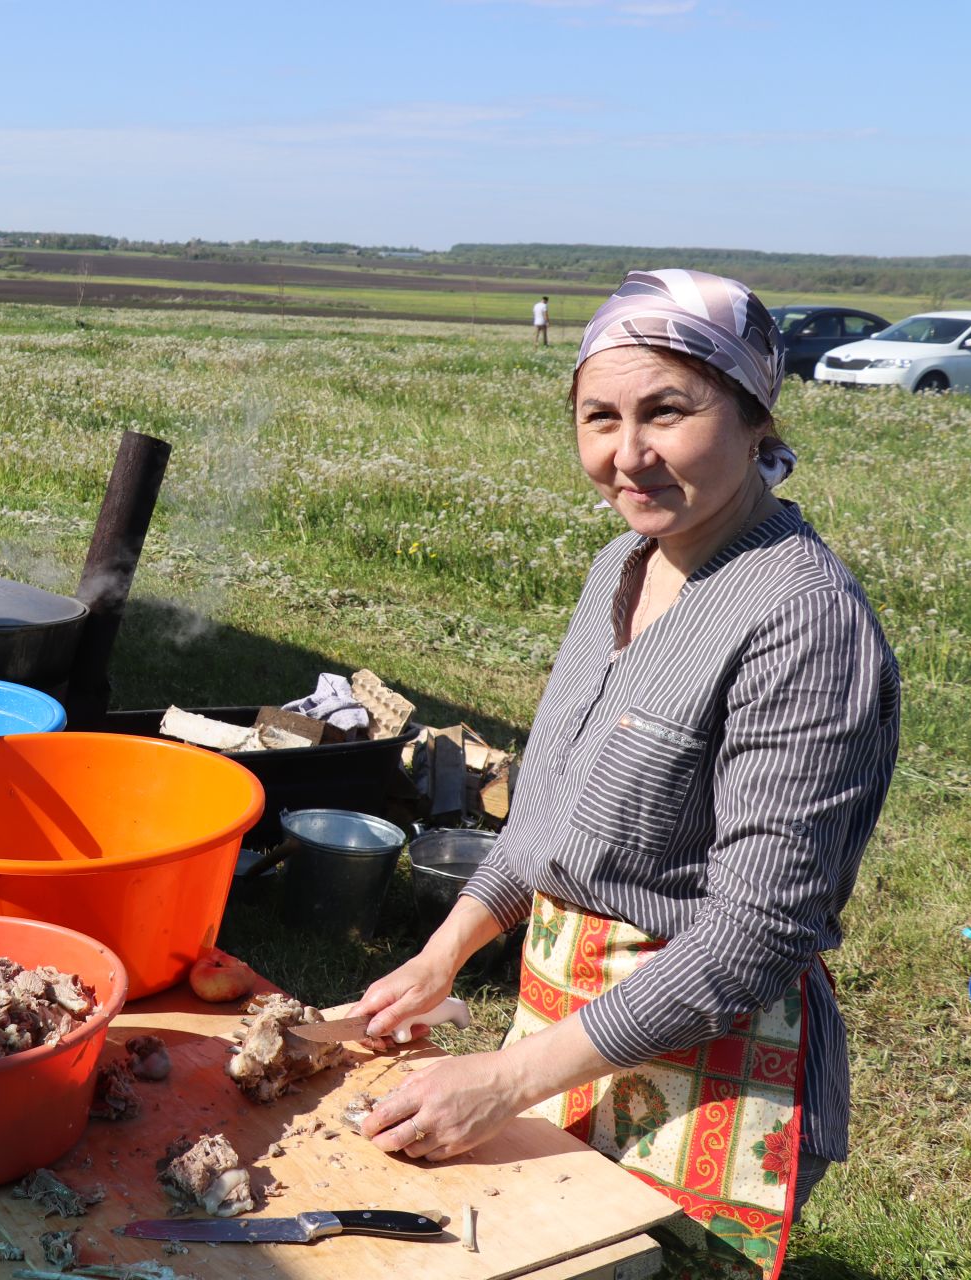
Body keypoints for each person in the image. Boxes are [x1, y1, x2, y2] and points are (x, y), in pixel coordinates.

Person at [351, 270, 898, 1278]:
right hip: (563, 1029)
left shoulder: (802, 618)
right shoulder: (622, 565)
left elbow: (756, 935)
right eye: (599, 416)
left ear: (751, 415)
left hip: (710, 1063)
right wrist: (444, 950)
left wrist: (507, 1078)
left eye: (668, 410)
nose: (627, 452)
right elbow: (551, 806)